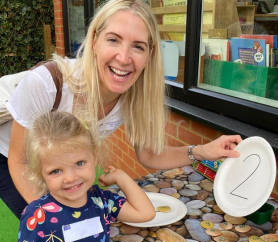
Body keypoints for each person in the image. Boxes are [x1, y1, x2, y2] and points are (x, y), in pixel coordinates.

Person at [0, 0, 242, 219]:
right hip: (11, 156)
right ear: (95, 40)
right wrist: (56, 220)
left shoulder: (136, 96)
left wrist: (202, 151)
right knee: (46, 235)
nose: (124, 58)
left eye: (138, 46)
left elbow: (149, 155)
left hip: (62, 163)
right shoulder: (47, 83)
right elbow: (19, 160)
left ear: (150, 55)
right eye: (113, 40)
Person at [0, 111, 155, 242]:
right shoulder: (38, 215)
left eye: (79, 163)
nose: (71, 177)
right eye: (56, 170)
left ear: (94, 156)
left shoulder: (102, 201)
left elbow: (145, 213)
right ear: (40, 173)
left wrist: (120, 177)